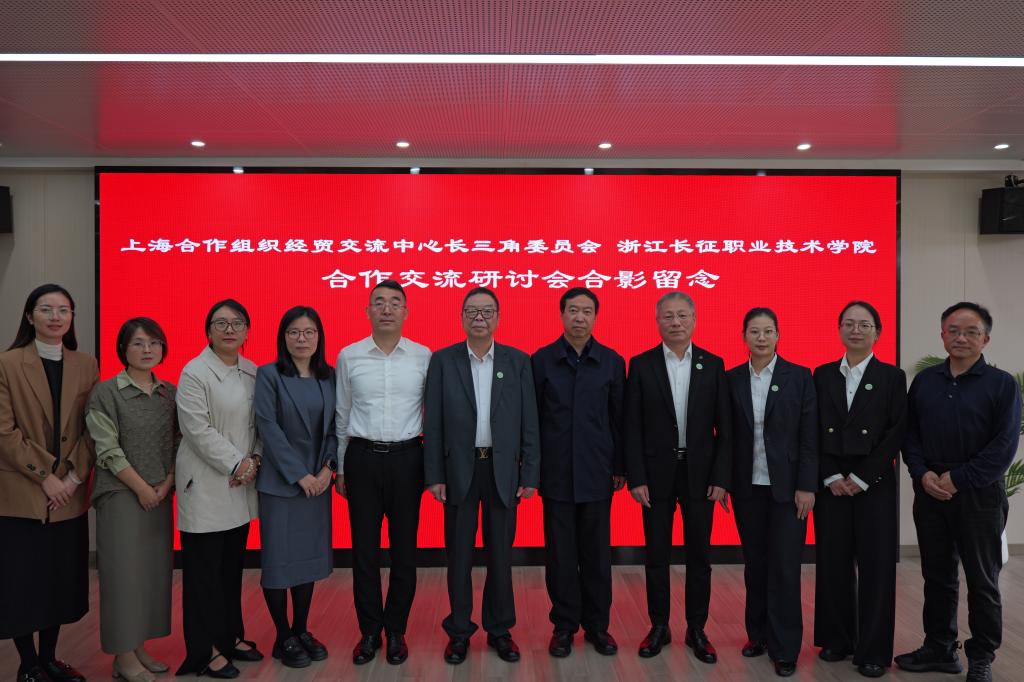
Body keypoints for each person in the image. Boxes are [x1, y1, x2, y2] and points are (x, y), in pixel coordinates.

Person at [897, 302, 1022, 682]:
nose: (961, 338)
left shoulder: (1002, 384)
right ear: (942, 335)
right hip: (930, 492)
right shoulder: (926, 381)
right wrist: (922, 474)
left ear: (985, 339)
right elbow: (910, 434)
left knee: (982, 581)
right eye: (953, 330)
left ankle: (981, 657)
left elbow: (1003, 447)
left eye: (971, 331)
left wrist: (959, 479)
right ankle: (940, 648)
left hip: (979, 496)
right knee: (937, 576)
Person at [423, 286, 540, 665]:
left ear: (498, 318)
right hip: (458, 470)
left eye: (487, 311)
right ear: (461, 317)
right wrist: (434, 474)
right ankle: (459, 632)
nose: (479, 317)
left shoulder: (518, 361)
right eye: (472, 311)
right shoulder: (443, 361)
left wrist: (530, 473)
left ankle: (500, 630)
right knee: (458, 556)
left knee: (500, 556)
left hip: (503, 470)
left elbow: (530, 422)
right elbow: (433, 422)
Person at [624, 291, 732, 662]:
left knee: (700, 554)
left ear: (694, 319)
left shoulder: (713, 364)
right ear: (657, 322)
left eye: (682, 315)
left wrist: (721, 477)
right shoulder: (641, 364)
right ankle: (659, 626)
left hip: (700, 476)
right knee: (656, 554)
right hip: (655, 476)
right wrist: (636, 477)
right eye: (668, 316)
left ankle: (696, 628)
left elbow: (725, 430)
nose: (676, 322)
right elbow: (632, 427)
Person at [0, 284, 98, 682]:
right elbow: (4, 432)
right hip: (22, 493)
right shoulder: (7, 364)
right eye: (46, 309)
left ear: (72, 317)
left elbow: (93, 428)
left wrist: (71, 477)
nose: (55, 317)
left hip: (68, 493)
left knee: (58, 581)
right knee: (22, 582)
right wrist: (46, 477)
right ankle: (28, 665)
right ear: (29, 316)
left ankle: (50, 658)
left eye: (63, 310)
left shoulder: (86, 364)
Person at [335, 280, 430, 666]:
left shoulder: (423, 356)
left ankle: (397, 630)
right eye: (379, 302)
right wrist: (342, 467)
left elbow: (433, 416)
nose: (386, 309)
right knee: (364, 552)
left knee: (405, 552)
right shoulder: (349, 356)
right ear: (367, 311)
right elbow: (342, 414)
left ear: (406, 311)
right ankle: (370, 631)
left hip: (408, 459)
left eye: (394, 303)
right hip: (362, 458)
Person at [813, 300, 906, 678]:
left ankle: (873, 651)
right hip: (832, 485)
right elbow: (812, 429)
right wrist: (831, 476)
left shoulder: (892, 377)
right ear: (839, 329)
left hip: (874, 484)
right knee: (832, 564)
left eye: (864, 325)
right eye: (849, 323)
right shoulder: (822, 375)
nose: (856, 330)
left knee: (876, 569)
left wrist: (863, 476)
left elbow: (896, 432)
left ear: (877, 333)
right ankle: (838, 639)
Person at [531, 287, 625, 658]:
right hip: (555, 474)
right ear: (562, 315)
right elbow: (533, 422)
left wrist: (620, 467)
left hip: (597, 473)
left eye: (587, 310)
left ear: (595, 317)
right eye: (573, 310)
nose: (580, 317)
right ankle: (564, 626)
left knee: (597, 555)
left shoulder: (612, 362)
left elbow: (619, 420)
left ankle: (598, 626)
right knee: (560, 556)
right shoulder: (542, 361)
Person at [725, 307, 817, 677]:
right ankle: (758, 635)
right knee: (756, 565)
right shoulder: (731, 379)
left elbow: (809, 437)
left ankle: (785, 648)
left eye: (767, 331)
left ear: (778, 335)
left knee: (785, 567)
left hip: (789, 490)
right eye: (754, 331)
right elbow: (726, 437)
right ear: (744, 336)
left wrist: (807, 485)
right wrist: (723, 481)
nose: (761, 338)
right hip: (747, 487)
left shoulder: (799, 376)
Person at [86, 318, 177, 682]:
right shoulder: (106, 392)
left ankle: (138, 646)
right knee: (123, 577)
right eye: (138, 343)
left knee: (150, 575)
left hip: (160, 494)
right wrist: (141, 488)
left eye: (154, 343)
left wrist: (167, 483)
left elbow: (180, 441)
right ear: (123, 349)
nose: (147, 350)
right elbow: (106, 448)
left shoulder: (169, 392)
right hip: (122, 495)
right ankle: (123, 656)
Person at [175, 299, 262, 679]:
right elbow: (197, 429)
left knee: (230, 570)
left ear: (247, 331)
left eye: (237, 323)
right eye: (220, 323)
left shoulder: (252, 371)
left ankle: (229, 636)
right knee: (203, 576)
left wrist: (254, 459)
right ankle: (204, 650)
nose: (229, 329)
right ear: (208, 331)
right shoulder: (195, 372)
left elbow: (259, 425)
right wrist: (238, 463)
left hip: (241, 484)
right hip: (207, 484)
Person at [254, 306, 336, 669]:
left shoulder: (329, 377)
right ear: (283, 337)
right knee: (278, 562)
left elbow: (336, 427)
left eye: (309, 332)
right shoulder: (269, 375)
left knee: (307, 560)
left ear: (319, 337)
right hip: (282, 485)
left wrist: (327, 469)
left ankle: (302, 629)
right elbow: (267, 427)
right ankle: (282, 634)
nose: (302, 339)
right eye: (294, 332)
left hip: (318, 484)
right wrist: (300, 475)